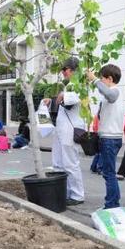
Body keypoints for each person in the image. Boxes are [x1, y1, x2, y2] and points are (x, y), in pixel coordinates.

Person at [44, 57, 85, 206]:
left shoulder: (79, 85)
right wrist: (52, 100)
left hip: (70, 129)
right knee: (58, 163)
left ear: (72, 70)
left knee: (70, 163)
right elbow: (61, 102)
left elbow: (71, 99)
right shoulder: (68, 86)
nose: (63, 73)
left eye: (65, 70)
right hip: (62, 129)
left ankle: (77, 194)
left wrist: (62, 96)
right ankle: (65, 192)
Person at [87, 64, 124, 209]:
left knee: (109, 174)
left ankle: (112, 204)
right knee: (109, 173)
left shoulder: (114, 92)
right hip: (109, 138)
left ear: (110, 79)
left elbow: (110, 95)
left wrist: (94, 80)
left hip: (110, 138)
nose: (100, 82)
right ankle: (113, 202)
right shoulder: (111, 94)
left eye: (102, 79)